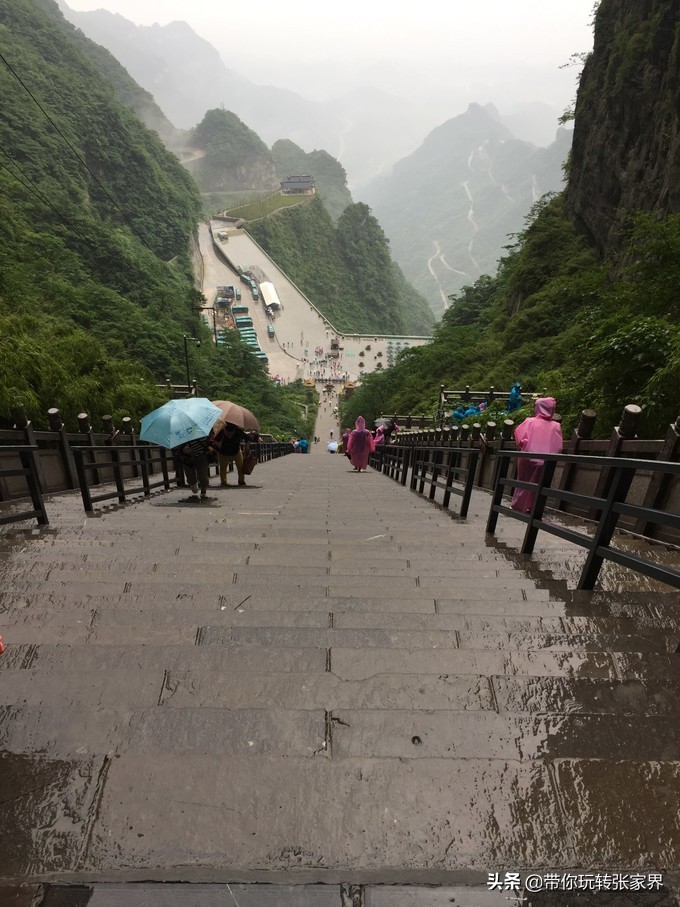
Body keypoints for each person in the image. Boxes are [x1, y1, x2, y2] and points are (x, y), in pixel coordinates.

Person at [510, 397, 563, 513]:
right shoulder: (556, 426)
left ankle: (518, 505)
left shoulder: (529, 422)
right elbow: (558, 446)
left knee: (523, 481)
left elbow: (519, 437)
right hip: (547, 461)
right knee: (541, 483)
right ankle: (534, 507)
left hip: (527, 458)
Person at [212, 422, 250, 487]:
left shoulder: (238, 430)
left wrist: (247, 446)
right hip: (223, 452)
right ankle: (224, 482)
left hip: (236, 451)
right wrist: (217, 443)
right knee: (223, 468)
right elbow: (213, 439)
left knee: (240, 467)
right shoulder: (221, 430)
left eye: (232, 431)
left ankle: (241, 481)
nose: (230, 433)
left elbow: (247, 438)